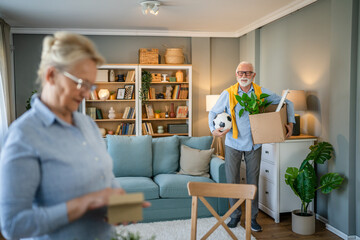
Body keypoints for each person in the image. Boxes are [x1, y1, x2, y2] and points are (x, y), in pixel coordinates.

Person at [0, 32, 149, 240]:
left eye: (90, 85)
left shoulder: (87, 124)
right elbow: (13, 225)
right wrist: (84, 203)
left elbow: (104, 175)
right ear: (51, 75)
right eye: (81, 83)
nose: (87, 94)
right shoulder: (23, 136)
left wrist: (118, 204)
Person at [208, 61, 295, 232]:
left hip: (254, 144)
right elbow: (212, 112)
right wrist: (213, 130)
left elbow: (287, 102)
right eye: (241, 73)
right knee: (232, 181)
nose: (244, 76)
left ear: (253, 75)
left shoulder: (261, 93)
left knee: (252, 182)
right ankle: (235, 216)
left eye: (248, 73)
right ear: (236, 75)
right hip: (232, 143)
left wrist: (290, 123)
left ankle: (253, 218)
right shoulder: (228, 93)